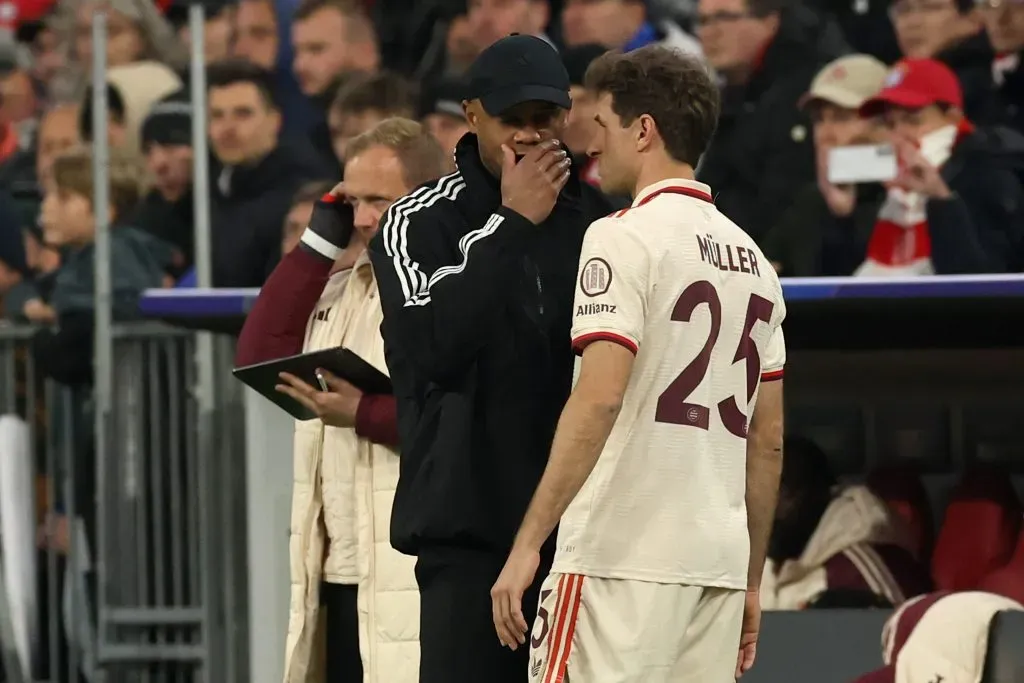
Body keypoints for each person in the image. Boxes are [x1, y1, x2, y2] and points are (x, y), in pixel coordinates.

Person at [490, 45, 787, 683]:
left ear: (643, 129)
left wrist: (528, 543)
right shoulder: (758, 263)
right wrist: (752, 581)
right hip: (717, 567)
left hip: (617, 559)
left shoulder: (621, 236)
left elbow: (598, 399)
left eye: (604, 126)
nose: (592, 146)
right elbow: (768, 441)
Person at [368, 33, 613, 683]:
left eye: (545, 118)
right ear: (473, 116)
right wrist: (510, 225)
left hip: (578, 534)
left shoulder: (603, 223)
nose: (530, 137)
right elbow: (429, 351)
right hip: (467, 534)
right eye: (514, 121)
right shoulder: (415, 221)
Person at [236, 118, 450, 683]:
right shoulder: (342, 284)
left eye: (378, 200)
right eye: (351, 202)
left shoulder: (451, 286)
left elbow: (461, 419)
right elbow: (260, 353)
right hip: (336, 565)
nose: (361, 219)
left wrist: (360, 413)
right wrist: (317, 240)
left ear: (428, 196)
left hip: (410, 565)